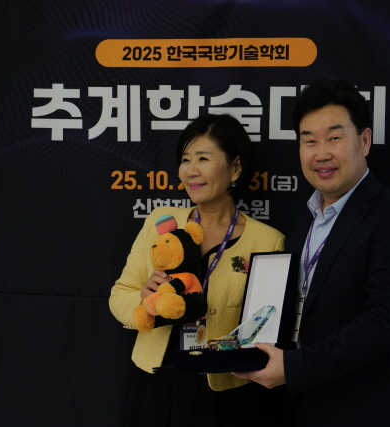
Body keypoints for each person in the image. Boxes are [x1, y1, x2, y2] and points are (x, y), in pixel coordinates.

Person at [233, 79, 390, 426]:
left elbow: (386, 320)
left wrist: (294, 367)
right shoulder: (301, 219)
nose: (321, 153)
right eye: (309, 141)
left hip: (371, 410)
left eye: (334, 138)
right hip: (306, 406)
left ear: (364, 141)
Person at [110, 113, 286, 427]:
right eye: (185, 160)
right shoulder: (161, 222)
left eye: (203, 158)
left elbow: (265, 326)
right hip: (155, 380)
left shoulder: (268, 241)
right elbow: (121, 293)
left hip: (223, 390)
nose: (191, 170)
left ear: (235, 168)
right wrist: (143, 301)